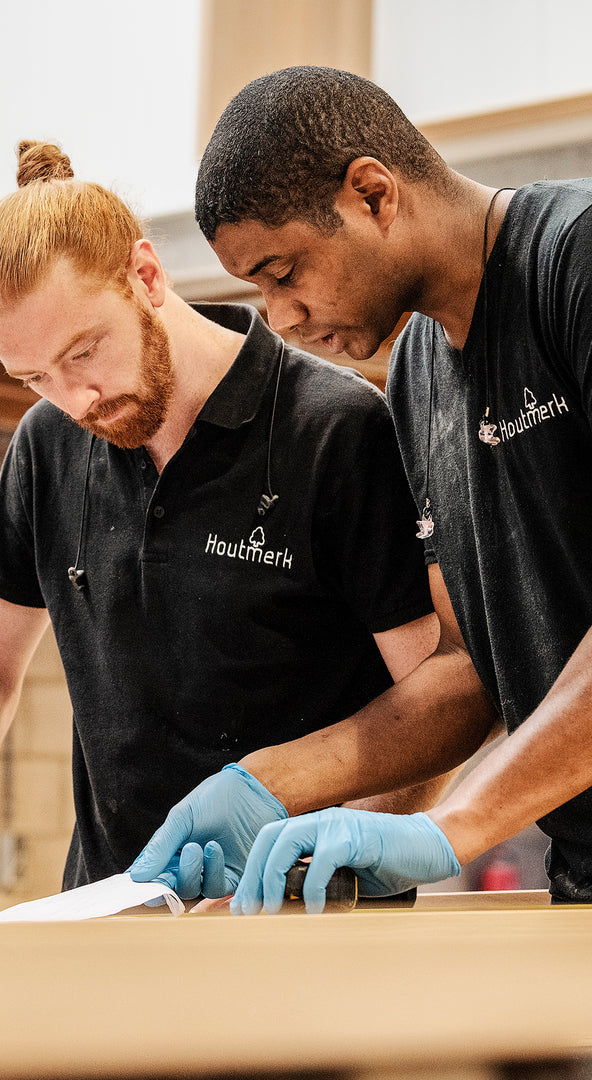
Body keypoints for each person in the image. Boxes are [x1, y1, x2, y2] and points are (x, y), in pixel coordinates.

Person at [0, 139, 445, 913]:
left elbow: (434, 702)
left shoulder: (335, 432)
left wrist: (333, 865)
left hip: (305, 932)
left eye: (85, 351)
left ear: (146, 275)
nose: (76, 399)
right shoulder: (47, 445)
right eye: (35, 377)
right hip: (111, 919)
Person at [134, 64, 592, 913]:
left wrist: (451, 825)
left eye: (283, 271)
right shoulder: (418, 375)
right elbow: (463, 671)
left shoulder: (577, 263)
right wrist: (270, 784)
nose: (280, 317)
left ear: (373, 195)